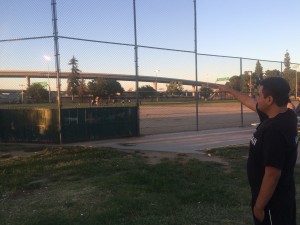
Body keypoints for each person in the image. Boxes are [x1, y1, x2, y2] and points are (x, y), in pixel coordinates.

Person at [218, 77, 298, 225]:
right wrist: (229, 90)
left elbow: (272, 174)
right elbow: (249, 102)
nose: (256, 98)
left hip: (273, 203)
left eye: (259, 95)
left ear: (269, 100)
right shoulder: (286, 116)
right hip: (282, 196)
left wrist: (259, 207)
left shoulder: (274, 130)